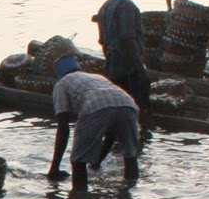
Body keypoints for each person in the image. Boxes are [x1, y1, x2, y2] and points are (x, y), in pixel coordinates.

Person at [47, 54, 142, 191]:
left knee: (78, 161)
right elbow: (111, 132)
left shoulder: (61, 84)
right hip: (128, 104)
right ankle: (129, 195)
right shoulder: (98, 77)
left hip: (95, 106)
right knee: (130, 155)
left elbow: (63, 128)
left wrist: (54, 168)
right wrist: (97, 162)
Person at [93, 0, 149, 110]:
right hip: (129, 69)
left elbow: (102, 41)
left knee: (119, 107)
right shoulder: (126, 5)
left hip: (113, 68)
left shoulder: (105, 6)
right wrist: (140, 69)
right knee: (137, 108)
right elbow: (128, 39)